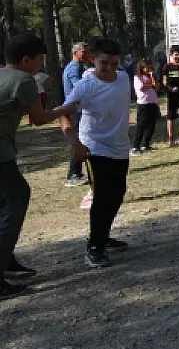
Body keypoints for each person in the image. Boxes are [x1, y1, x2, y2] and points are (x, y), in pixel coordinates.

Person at [0, 34, 71, 298]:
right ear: (25, 59)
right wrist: (64, 109)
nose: (41, 63)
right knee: (17, 198)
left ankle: (6, 261)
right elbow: (39, 119)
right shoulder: (23, 80)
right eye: (39, 59)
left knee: (4, 204)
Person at [60, 38, 134, 269]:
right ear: (93, 60)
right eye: (105, 64)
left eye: (115, 63)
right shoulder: (86, 85)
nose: (111, 69)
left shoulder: (123, 78)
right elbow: (64, 115)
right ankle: (94, 247)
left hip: (120, 146)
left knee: (118, 193)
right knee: (102, 196)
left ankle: (103, 234)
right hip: (95, 146)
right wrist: (76, 145)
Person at [62, 42, 92, 185]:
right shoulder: (74, 68)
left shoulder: (80, 67)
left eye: (87, 52)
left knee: (82, 139)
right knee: (79, 140)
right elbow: (80, 87)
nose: (86, 55)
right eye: (84, 52)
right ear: (75, 53)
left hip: (78, 108)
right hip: (74, 109)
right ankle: (73, 174)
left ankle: (78, 172)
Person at [131, 58, 160, 155]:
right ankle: (135, 147)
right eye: (146, 67)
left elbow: (157, 87)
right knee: (141, 126)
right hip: (143, 104)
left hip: (152, 103)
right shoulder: (137, 77)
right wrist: (150, 85)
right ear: (141, 68)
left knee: (151, 125)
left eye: (150, 67)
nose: (149, 69)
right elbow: (142, 87)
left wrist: (152, 78)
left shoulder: (150, 77)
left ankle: (146, 145)